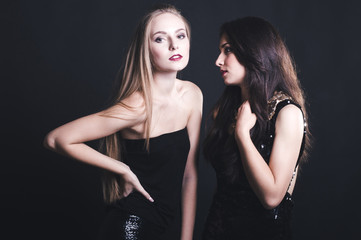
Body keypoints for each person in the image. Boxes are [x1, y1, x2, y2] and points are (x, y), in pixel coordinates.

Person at [43, 4, 202, 240]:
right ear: (146, 49)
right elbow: (56, 139)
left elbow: (190, 174)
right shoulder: (138, 107)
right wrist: (121, 168)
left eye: (180, 35)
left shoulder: (192, 95)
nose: (174, 45)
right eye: (160, 39)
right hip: (130, 228)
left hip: (162, 226)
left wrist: (187, 237)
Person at [202, 16, 311, 240]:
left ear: (254, 52)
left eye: (228, 50)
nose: (218, 60)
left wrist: (242, 136)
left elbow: (271, 197)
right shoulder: (224, 109)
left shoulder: (287, 113)